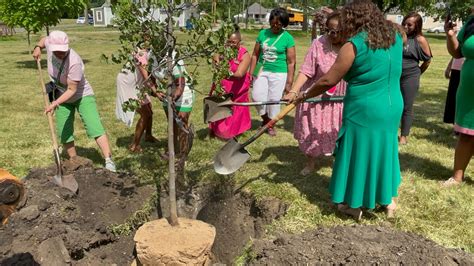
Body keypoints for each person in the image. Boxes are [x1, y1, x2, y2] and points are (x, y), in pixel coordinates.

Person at [288, 0, 404, 220]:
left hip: (365, 108)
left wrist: (303, 95)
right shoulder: (395, 37)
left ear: (354, 19)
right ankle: (389, 201)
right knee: (384, 150)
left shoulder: (352, 45)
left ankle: (354, 205)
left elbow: (328, 80)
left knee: (358, 153)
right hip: (392, 106)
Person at [32, 31, 116, 172]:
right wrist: (37, 47)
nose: (60, 54)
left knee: (94, 125)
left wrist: (54, 103)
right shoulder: (49, 42)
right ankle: (74, 160)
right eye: (56, 51)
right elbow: (43, 40)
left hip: (81, 95)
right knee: (64, 129)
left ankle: (109, 161)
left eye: (62, 51)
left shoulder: (74, 61)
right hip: (60, 93)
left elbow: (71, 89)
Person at [283, 12, 346, 176]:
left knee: (337, 131)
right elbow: (306, 71)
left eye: (337, 31)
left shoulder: (351, 46)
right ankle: (310, 163)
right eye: (330, 31)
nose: (333, 35)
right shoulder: (318, 44)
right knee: (312, 130)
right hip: (315, 97)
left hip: (340, 99)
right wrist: (294, 91)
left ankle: (337, 161)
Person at [248, 7, 296, 136]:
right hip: (261, 69)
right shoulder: (262, 34)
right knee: (256, 97)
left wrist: (289, 83)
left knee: (274, 100)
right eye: (273, 23)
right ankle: (266, 120)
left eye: (279, 24)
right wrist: (252, 73)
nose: (276, 26)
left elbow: (291, 62)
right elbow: (254, 55)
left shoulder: (288, 38)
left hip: (279, 72)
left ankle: (270, 125)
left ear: (284, 24)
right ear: (270, 21)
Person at [442, 5, 474, 186]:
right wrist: (451, 36)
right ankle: (457, 177)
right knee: (467, 134)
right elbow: (457, 52)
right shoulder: (471, 23)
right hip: (469, 90)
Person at [209, 26, 251, 140]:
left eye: (234, 42)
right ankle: (215, 129)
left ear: (239, 42)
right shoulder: (223, 50)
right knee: (218, 106)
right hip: (222, 86)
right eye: (229, 42)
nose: (231, 44)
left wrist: (224, 71)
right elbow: (215, 59)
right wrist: (216, 61)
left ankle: (232, 132)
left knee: (234, 110)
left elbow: (239, 74)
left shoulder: (245, 54)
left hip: (238, 89)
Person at [116, 42, 158, 153]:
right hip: (128, 84)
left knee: (149, 108)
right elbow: (146, 76)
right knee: (145, 113)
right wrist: (155, 91)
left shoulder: (148, 52)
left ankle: (148, 135)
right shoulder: (141, 55)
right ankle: (134, 145)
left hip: (137, 82)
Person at [152, 51, 194, 159]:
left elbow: (180, 84)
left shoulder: (173, 56)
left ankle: (183, 154)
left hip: (183, 93)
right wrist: (156, 91)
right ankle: (171, 150)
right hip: (167, 93)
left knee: (181, 123)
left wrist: (174, 98)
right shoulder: (152, 55)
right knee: (171, 122)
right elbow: (149, 77)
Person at [399, 12, 432, 145]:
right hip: (394, 75)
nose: (406, 26)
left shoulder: (420, 40)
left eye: (409, 24)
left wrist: (417, 73)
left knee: (407, 106)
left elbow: (427, 60)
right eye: (404, 23)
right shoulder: (398, 37)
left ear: (417, 26)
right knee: (393, 104)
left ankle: (404, 136)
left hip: (410, 76)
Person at [443, 57, 465, 125]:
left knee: (464, 99)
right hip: (456, 69)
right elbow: (455, 53)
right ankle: (455, 125)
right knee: (453, 97)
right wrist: (449, 67)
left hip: (467, 69)